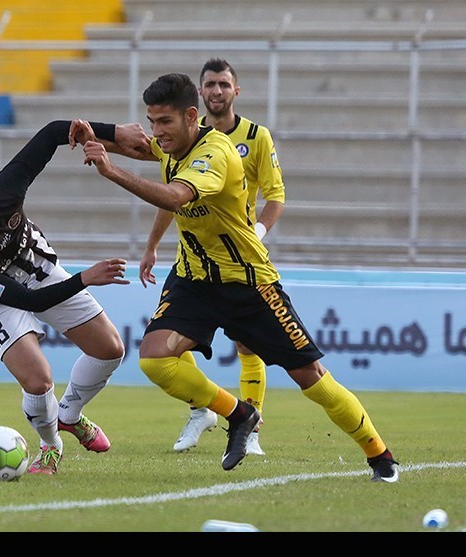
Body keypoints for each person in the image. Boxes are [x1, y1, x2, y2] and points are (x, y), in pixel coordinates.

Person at [74, 72, 399, 481]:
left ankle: (380, 455)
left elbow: (175, 197)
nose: (157, 132)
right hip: (195, 280)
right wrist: (93, 132)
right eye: (152, 121)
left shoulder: (215, 154)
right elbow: (137, 145)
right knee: (155, 359)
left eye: (165, 122)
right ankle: (239, 413)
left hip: (248, 283)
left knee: (310, 377)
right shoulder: (171, 145)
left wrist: (111, 171)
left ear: (191, 116)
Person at [0, 119, 147, 475]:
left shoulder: (4, 190)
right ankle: (50, 445)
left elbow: (51, 133)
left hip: (39, 269)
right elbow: (30, 302)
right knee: (37, 380)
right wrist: (85, 278)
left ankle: (69, 414)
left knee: (110, 350)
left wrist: (113, 132)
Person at [139, 58, 285, 455]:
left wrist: (258, 232)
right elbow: (171, 195)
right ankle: (201, 410)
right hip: (192, 257)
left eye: (224, 84)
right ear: (199, 94)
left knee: (246, 345)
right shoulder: (181, 137)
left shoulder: (256, 137)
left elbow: (275, 195)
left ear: (236, 90)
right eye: (210, 85)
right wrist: (152, 245)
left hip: (237, 257)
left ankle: (250, 429)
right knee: (167, 341)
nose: (217, 91)